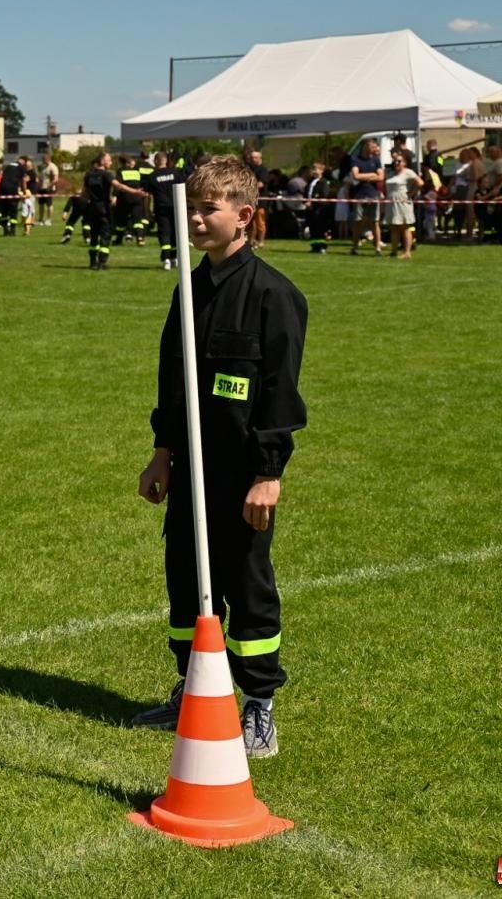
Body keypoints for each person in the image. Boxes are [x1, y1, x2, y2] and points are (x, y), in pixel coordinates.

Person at [132, 155, 308, 758]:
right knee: (187, 583)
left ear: (245, 217)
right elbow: (171, 380)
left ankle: (258, 705)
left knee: (246, 584)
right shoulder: (190, 287)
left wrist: (268, 473)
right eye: (192, 207)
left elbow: (281, 395)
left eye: (209, 208)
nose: (196, 219)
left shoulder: (275, 297)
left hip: (242, 474)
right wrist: (162, 452)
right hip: (189, 471)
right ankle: (195, 689)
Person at [144, 151, 183, 271]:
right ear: (166, 160)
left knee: (164, 232)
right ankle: (174, 258)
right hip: (176, 206)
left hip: (161, 208)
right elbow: (183, 190)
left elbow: (147, 196)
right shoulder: (175, 173)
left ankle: (166, 259)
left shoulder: (152, 176)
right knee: (176, 232)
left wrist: (147, 211)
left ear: (156, 161)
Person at [82, 152, 120, 270]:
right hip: (104, 208)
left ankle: (93, 261)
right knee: (105, 235)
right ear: (102, 161)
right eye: (109, 160)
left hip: (92, 208)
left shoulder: (88, 175)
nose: (111, 162)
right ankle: (102, 262)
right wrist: (134, 192)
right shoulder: (106, 175)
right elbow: (118, 186)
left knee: (94, 236)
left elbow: (83, 192)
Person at [348, 139, 384, 255]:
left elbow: (381, 177)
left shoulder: (376, 160)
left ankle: (378, 247)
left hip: (373, 195)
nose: (374, 148)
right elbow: (355, 175)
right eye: (372, 146)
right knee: (358, 222)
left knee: (375, 222)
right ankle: (355, 247)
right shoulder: (355, 160)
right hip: (360, 195)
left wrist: (367, 177)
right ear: (365, 146)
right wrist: (372, 175)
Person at [384, 151, 420, 259]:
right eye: (395, 161)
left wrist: (412, 193)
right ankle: (393, 252)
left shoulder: (408, 172)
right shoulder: (390, 173)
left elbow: (420, 183)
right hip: (391, 202)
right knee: (394, 227)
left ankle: (407, 252)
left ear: (405, 163)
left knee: (405, 227)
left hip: (403, 202)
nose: (396, 163)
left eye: (399, 161)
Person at [39, 152, 60, 226]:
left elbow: (55, 179)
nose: (43, 161)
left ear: (48, 159)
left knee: (49, 204)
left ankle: (49, 220)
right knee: (41, 204)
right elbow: (41, 177)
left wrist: (49, 186)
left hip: (49, 188)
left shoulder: (53, 167)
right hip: (42, 188)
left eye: (44, 159)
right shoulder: (43, 166)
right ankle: (41, 220)